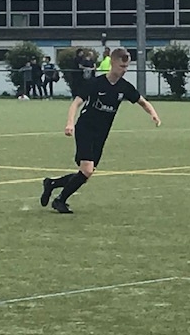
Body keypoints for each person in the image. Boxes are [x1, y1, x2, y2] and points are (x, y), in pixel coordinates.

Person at [40, 48, 161, 214]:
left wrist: (153, 114)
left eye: (126, 66)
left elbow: (142, 101)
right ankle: (60, 201)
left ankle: (51, 183)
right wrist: (70, 123)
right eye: (122, 66)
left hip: (101, 134)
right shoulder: (95, 83)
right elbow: (76, 103)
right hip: (85, 129)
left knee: (85, 173)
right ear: (112, 63)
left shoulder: (124, 87)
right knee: (87, 169)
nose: (124, 70)